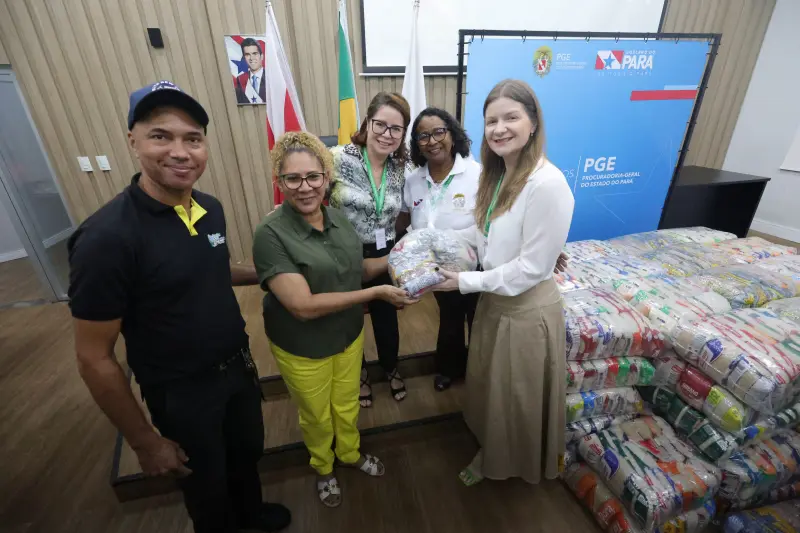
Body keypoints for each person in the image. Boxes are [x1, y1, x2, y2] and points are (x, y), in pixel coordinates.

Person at [68, 81, 290, 533]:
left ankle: (252, 515)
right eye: (160, 136)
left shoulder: (208, 208)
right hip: (182, 392)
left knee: (246, 454)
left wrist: (279, 273)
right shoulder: (106, 239)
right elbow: (93, 358)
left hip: (238, 368)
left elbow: (212, 268)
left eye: (193, 138)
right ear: (133, 141)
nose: (180, 152)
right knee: (206, 484)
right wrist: (144, 441)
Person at [252, 132, 417, 507]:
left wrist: (405, 255)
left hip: (348, 335)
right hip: (303, 345)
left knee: (346, 405)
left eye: (313, 176)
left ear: (327, 178)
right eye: (293, 178)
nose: (305, 187)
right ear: (280, 182)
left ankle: (350, 453)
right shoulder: (270, 234)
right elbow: (302, 306)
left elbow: (359, 269)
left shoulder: (340, 220)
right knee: (316, 416)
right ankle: (324, 467)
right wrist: (375, 294)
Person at [433, 79, 575, 486]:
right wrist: (428, 245)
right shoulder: (497, 176)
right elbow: (484, 235)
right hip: (495, 303)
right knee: (494, 390)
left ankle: (511, 464)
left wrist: (465, 281)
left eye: (510, 118)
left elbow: (531, 268)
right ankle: (492, 451)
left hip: (526, 310)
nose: (499, 129)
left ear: (533, 123)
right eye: (491, 121)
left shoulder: (547, 183)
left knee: (517, 396)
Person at [329, 92, 411, 407]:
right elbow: (312, 196)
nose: (387, 134)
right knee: (348, 317)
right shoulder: (337, 158)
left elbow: (405, 211)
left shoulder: (400, 167)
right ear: (367, 122)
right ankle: (359, 373)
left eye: (396, 128)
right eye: (381, 125)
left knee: (386, 315)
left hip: (383, 250)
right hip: (343, 251)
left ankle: (391, 367)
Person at [397, 107, 481, 392]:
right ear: (416, 144)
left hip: (475, 267)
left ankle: (481, 372)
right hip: (437, 268)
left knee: (478, 321)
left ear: (452, 134)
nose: (431, 141)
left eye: (438, 132)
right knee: (449, 318)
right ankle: (449, 369)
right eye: (423, 136)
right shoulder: (413, 180)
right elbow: (403, 220)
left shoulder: (477, 174)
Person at [235, 38, 266, 104]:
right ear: (244, 58)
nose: (251, 58)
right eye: (247, 55)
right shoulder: (240, 79)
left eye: (255, 53)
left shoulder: (271, 77)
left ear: (261, 56)